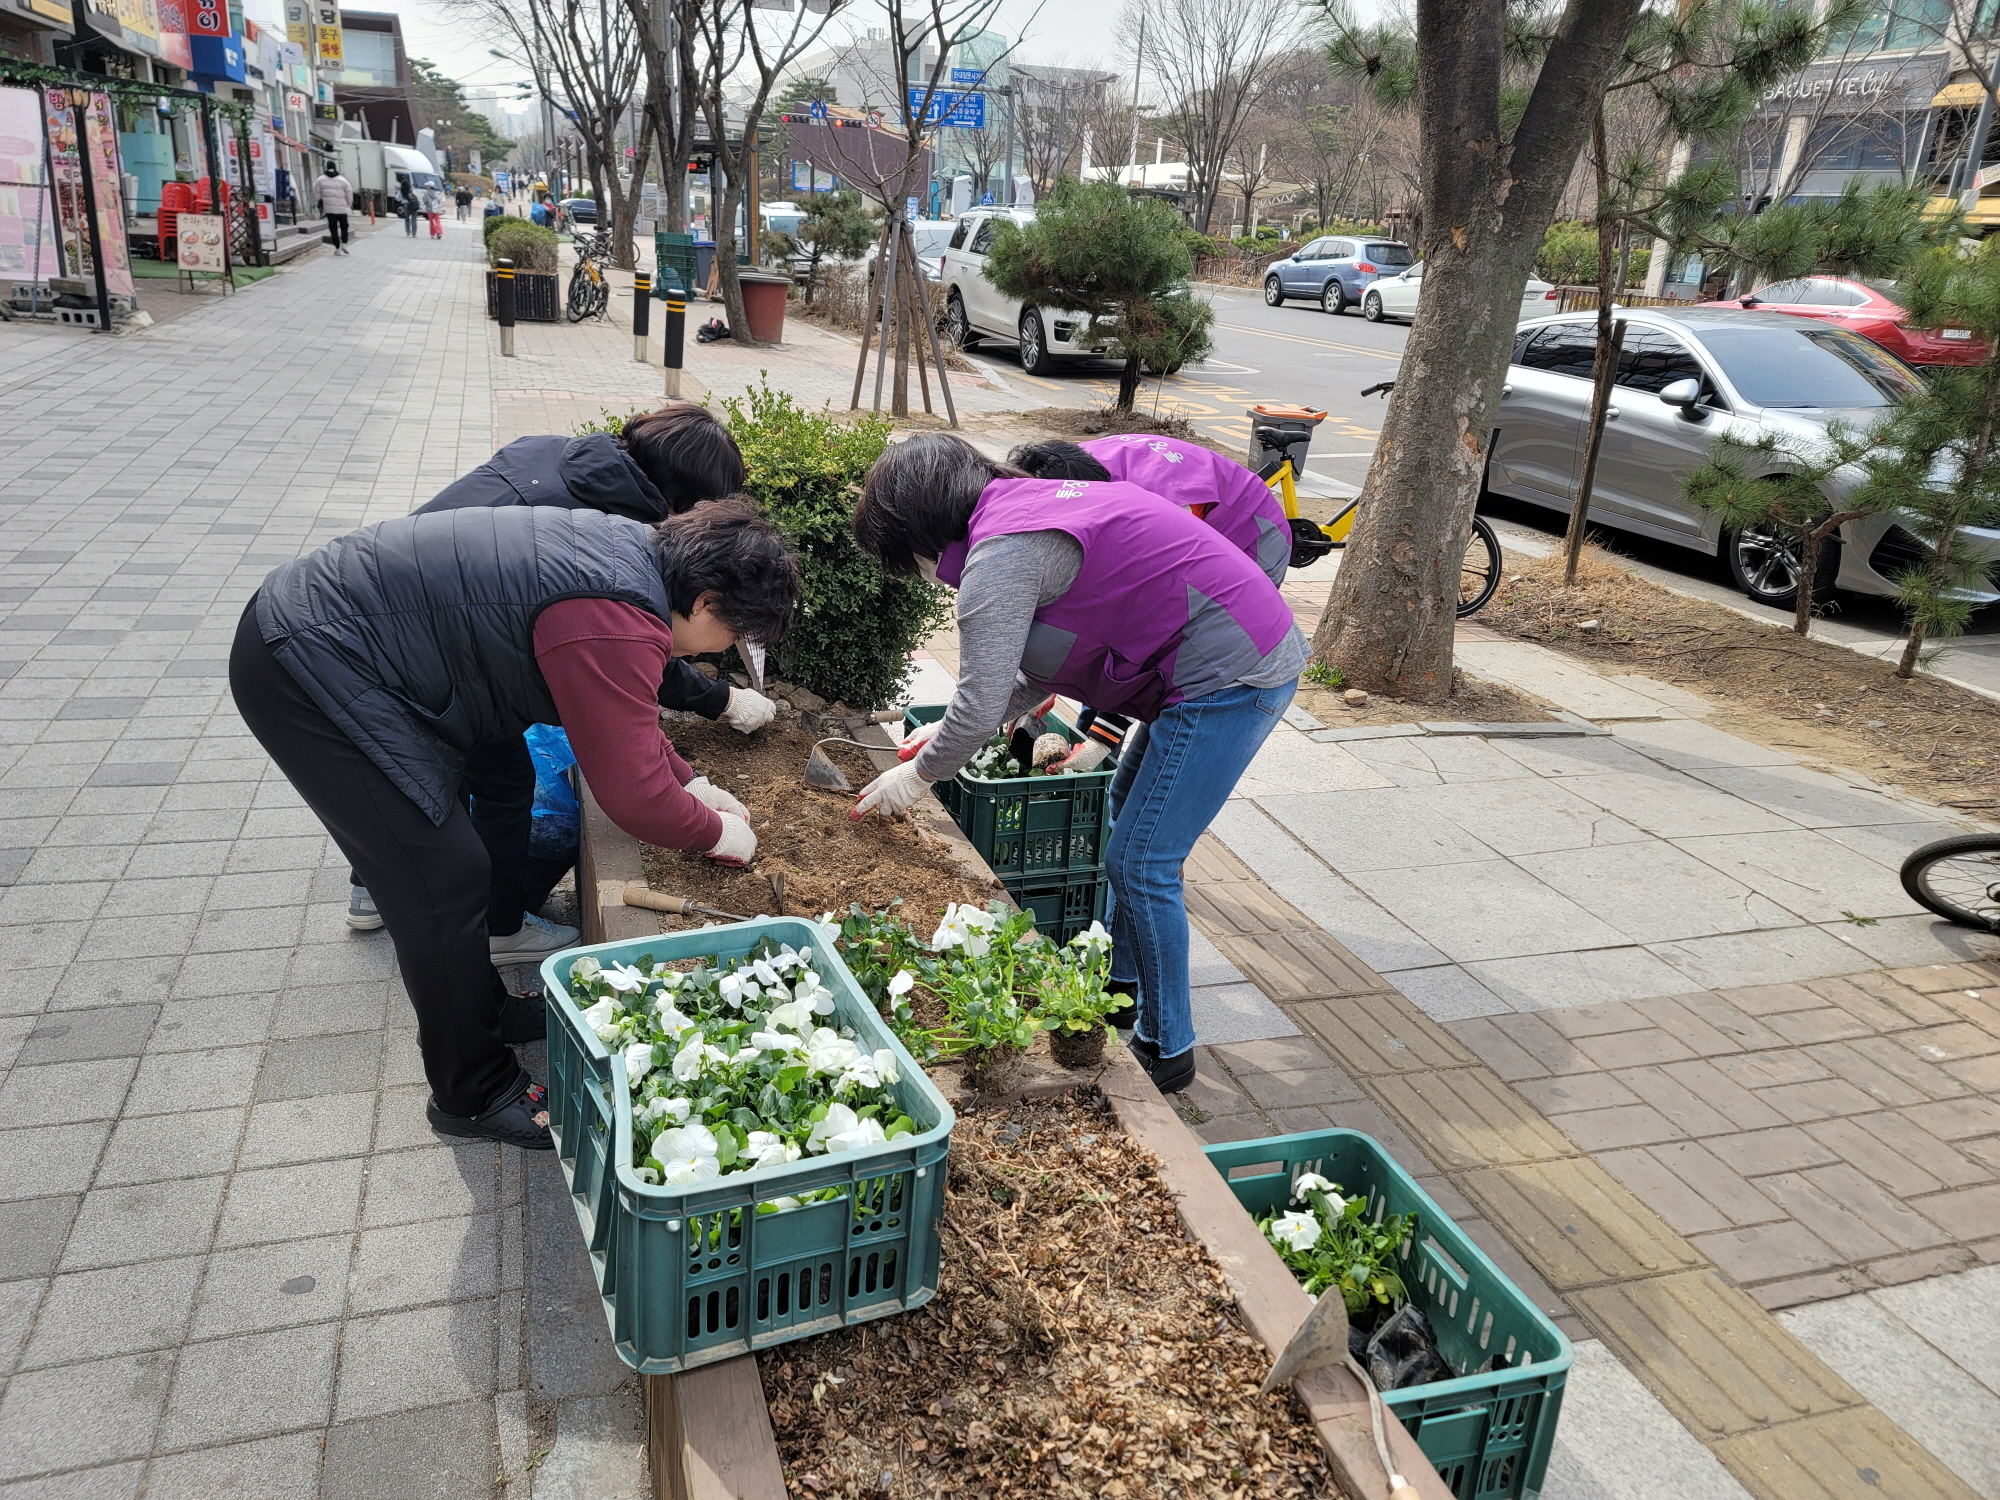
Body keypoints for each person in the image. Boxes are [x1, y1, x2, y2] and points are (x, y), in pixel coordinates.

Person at [231, 501, 801, 1149]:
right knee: (440, 878)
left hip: (349, 644)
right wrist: (717, 833)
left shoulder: (635, 563)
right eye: (732, 634)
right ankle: (473, 1095)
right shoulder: (614, 615)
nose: (724, 649)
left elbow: (627, 712)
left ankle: (488, 1013)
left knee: (452, 864)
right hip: (310, 665)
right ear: (704, 603)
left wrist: (692, 783)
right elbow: (633, 795)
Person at [848, 434, 1306, 1095]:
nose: (916, 573)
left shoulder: (1000, 556)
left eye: (904, 559)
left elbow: (980, 702)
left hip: (1230, 675)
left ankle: (1168, 1049)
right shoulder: (1023, 508)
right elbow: (1034, 671)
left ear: (916, 531)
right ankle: (1118, 986)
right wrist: (951, 736)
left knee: (1141, 861)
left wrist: (919, 775)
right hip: (1213, 661)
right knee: (1127, 817)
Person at [345, 403, 775, 943]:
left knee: (455, 777)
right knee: (498, 784)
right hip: (411, 646)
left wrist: (691, 779)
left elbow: (625, 669)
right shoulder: (612, 529)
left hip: (399, 607)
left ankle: (377, 887)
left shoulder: (565, 460)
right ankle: (495, 929)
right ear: (682, 498)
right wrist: (717, 721)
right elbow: (624, 662)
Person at [314, 161, 353, 255]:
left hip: (329, 209)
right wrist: (348, 205)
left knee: (333, 228)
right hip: (342, 209)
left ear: (327, 167)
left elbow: (316, 194)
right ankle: (344, 244)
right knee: (344, 226)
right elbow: (349, 194)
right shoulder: (342, 180)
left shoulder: (320, 180)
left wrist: (318, 205)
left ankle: (337, 248)